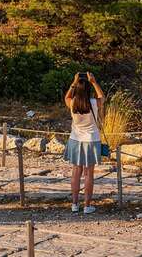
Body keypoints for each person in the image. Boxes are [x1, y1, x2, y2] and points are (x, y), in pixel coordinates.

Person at [63, 72, 105, 215]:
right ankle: (87, 206)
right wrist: (94, 81)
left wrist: (74, 83)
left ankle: (74, 204)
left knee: (76, 172)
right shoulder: (93, 103)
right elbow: (102, 97)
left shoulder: (73, 103)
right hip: (91, 140)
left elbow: (66, 97)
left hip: (75, 139)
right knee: (88, 174)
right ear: (88, 90)